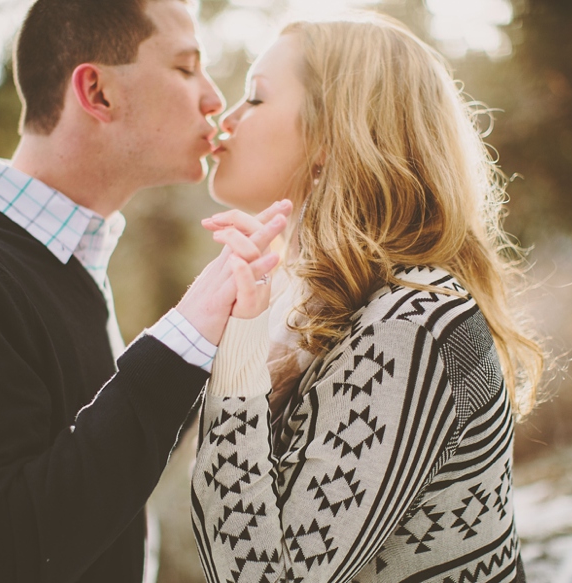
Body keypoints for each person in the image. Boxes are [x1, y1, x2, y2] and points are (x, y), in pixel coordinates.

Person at [0, 0, 291, 581]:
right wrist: (185, 333)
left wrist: (225, 337)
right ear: (97, 92)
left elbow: (95, 461)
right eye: (185, 68)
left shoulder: (59, 261)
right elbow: (4, 555)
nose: (215, 99)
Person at [190, 14, 544, 583]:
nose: (224, 121)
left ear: (332, 136)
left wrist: (237, 366)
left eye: (254, 98)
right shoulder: (313, 305)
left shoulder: (413, 322)